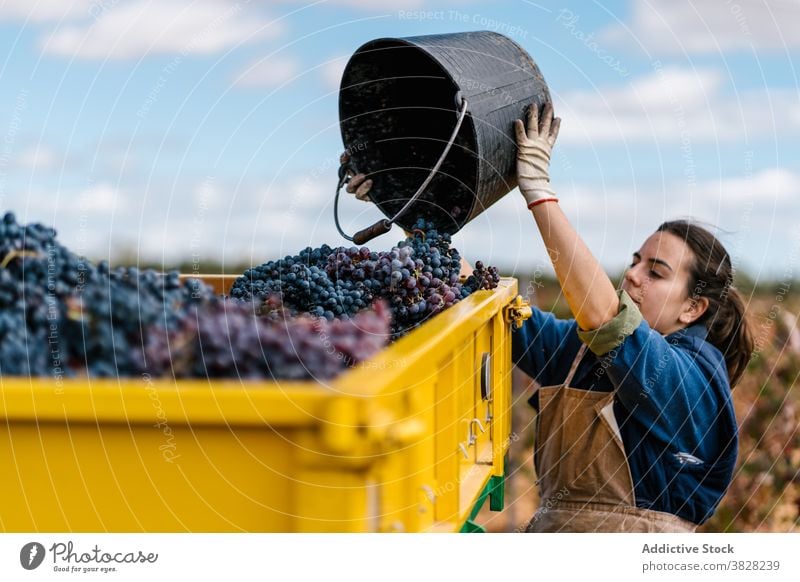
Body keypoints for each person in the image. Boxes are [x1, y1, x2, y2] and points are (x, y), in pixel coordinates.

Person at [512, 101, 754, 532]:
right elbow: (507, 316)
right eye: (635, 261)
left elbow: (609, 319)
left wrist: (539, 192)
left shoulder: (689, 379)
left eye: (655, 272)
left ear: (692, 308)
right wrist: (416, 212)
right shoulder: (581, 355)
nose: (632, 275)